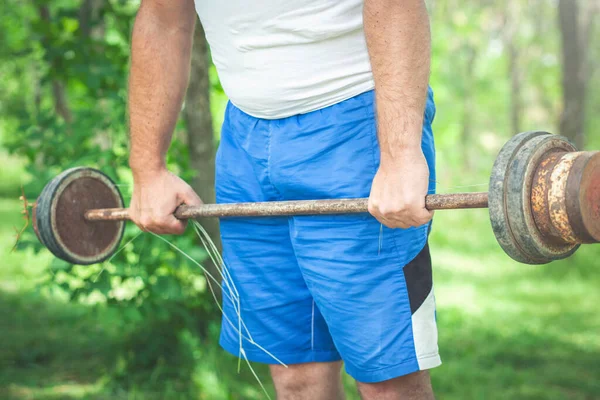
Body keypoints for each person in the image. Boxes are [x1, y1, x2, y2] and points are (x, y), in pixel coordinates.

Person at [127, 0, 438, 398]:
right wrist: (147, 167)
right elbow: (162, 17)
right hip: (245, 137)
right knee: (295, 377)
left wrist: (400, 153)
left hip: (357, 128)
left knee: (388, 382)